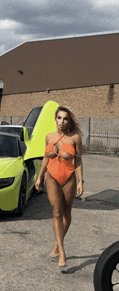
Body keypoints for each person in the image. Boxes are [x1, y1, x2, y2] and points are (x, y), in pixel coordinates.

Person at [35, 105, 83, 270]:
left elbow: (77, 160)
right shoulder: (49, 137)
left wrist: (81, 181)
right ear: (55, 119)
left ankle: (57, 244)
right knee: (56, 212)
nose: (62, 121)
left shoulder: (75, 138)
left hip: (69, 177)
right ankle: (62, 251)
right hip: (52, 177)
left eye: (65, 118)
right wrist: (40, 176)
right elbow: (45, 158)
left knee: (67, 211)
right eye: (59, 118)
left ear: (69, 120)